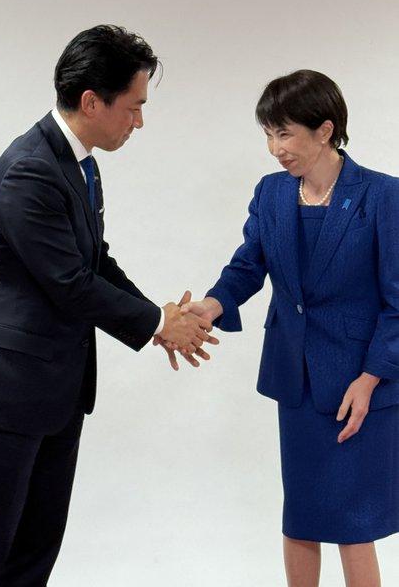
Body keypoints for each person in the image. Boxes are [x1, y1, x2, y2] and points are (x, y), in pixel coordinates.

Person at [0, 24, 217, 586]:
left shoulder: (79, 163)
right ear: (91, 102)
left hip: (54, 390)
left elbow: (95, 262)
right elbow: (69, 283)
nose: (139, 122)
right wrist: (159, 323)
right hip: (6, 391)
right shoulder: (30, 169)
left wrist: (159, 318)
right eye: (134, 107)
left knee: (34, 551)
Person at [169, 70, 399, 586]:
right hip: (296, 378)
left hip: (359, 384)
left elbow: (398, 301)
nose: (275, 149)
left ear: (325, 130)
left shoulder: (384, 195)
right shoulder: (272, 193)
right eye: (269, 135)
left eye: (285, 134)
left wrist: (371, 379)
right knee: (300, 515)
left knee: (354, 524)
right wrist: (212, 305)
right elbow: (248, 265)